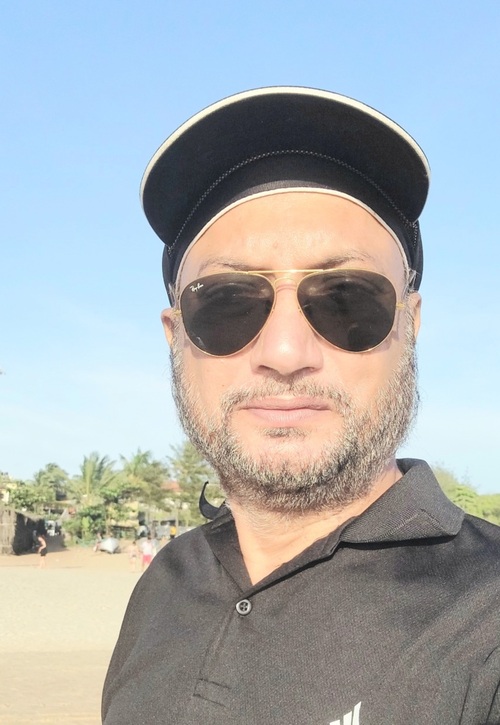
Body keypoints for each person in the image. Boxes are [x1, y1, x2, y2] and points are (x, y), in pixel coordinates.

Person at [102, 88, 500, 724]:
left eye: (348, 300)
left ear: (410, 325)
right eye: (227, 303)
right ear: (176, 337)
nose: (285, 353)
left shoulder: (485, 619)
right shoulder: (165, 584)